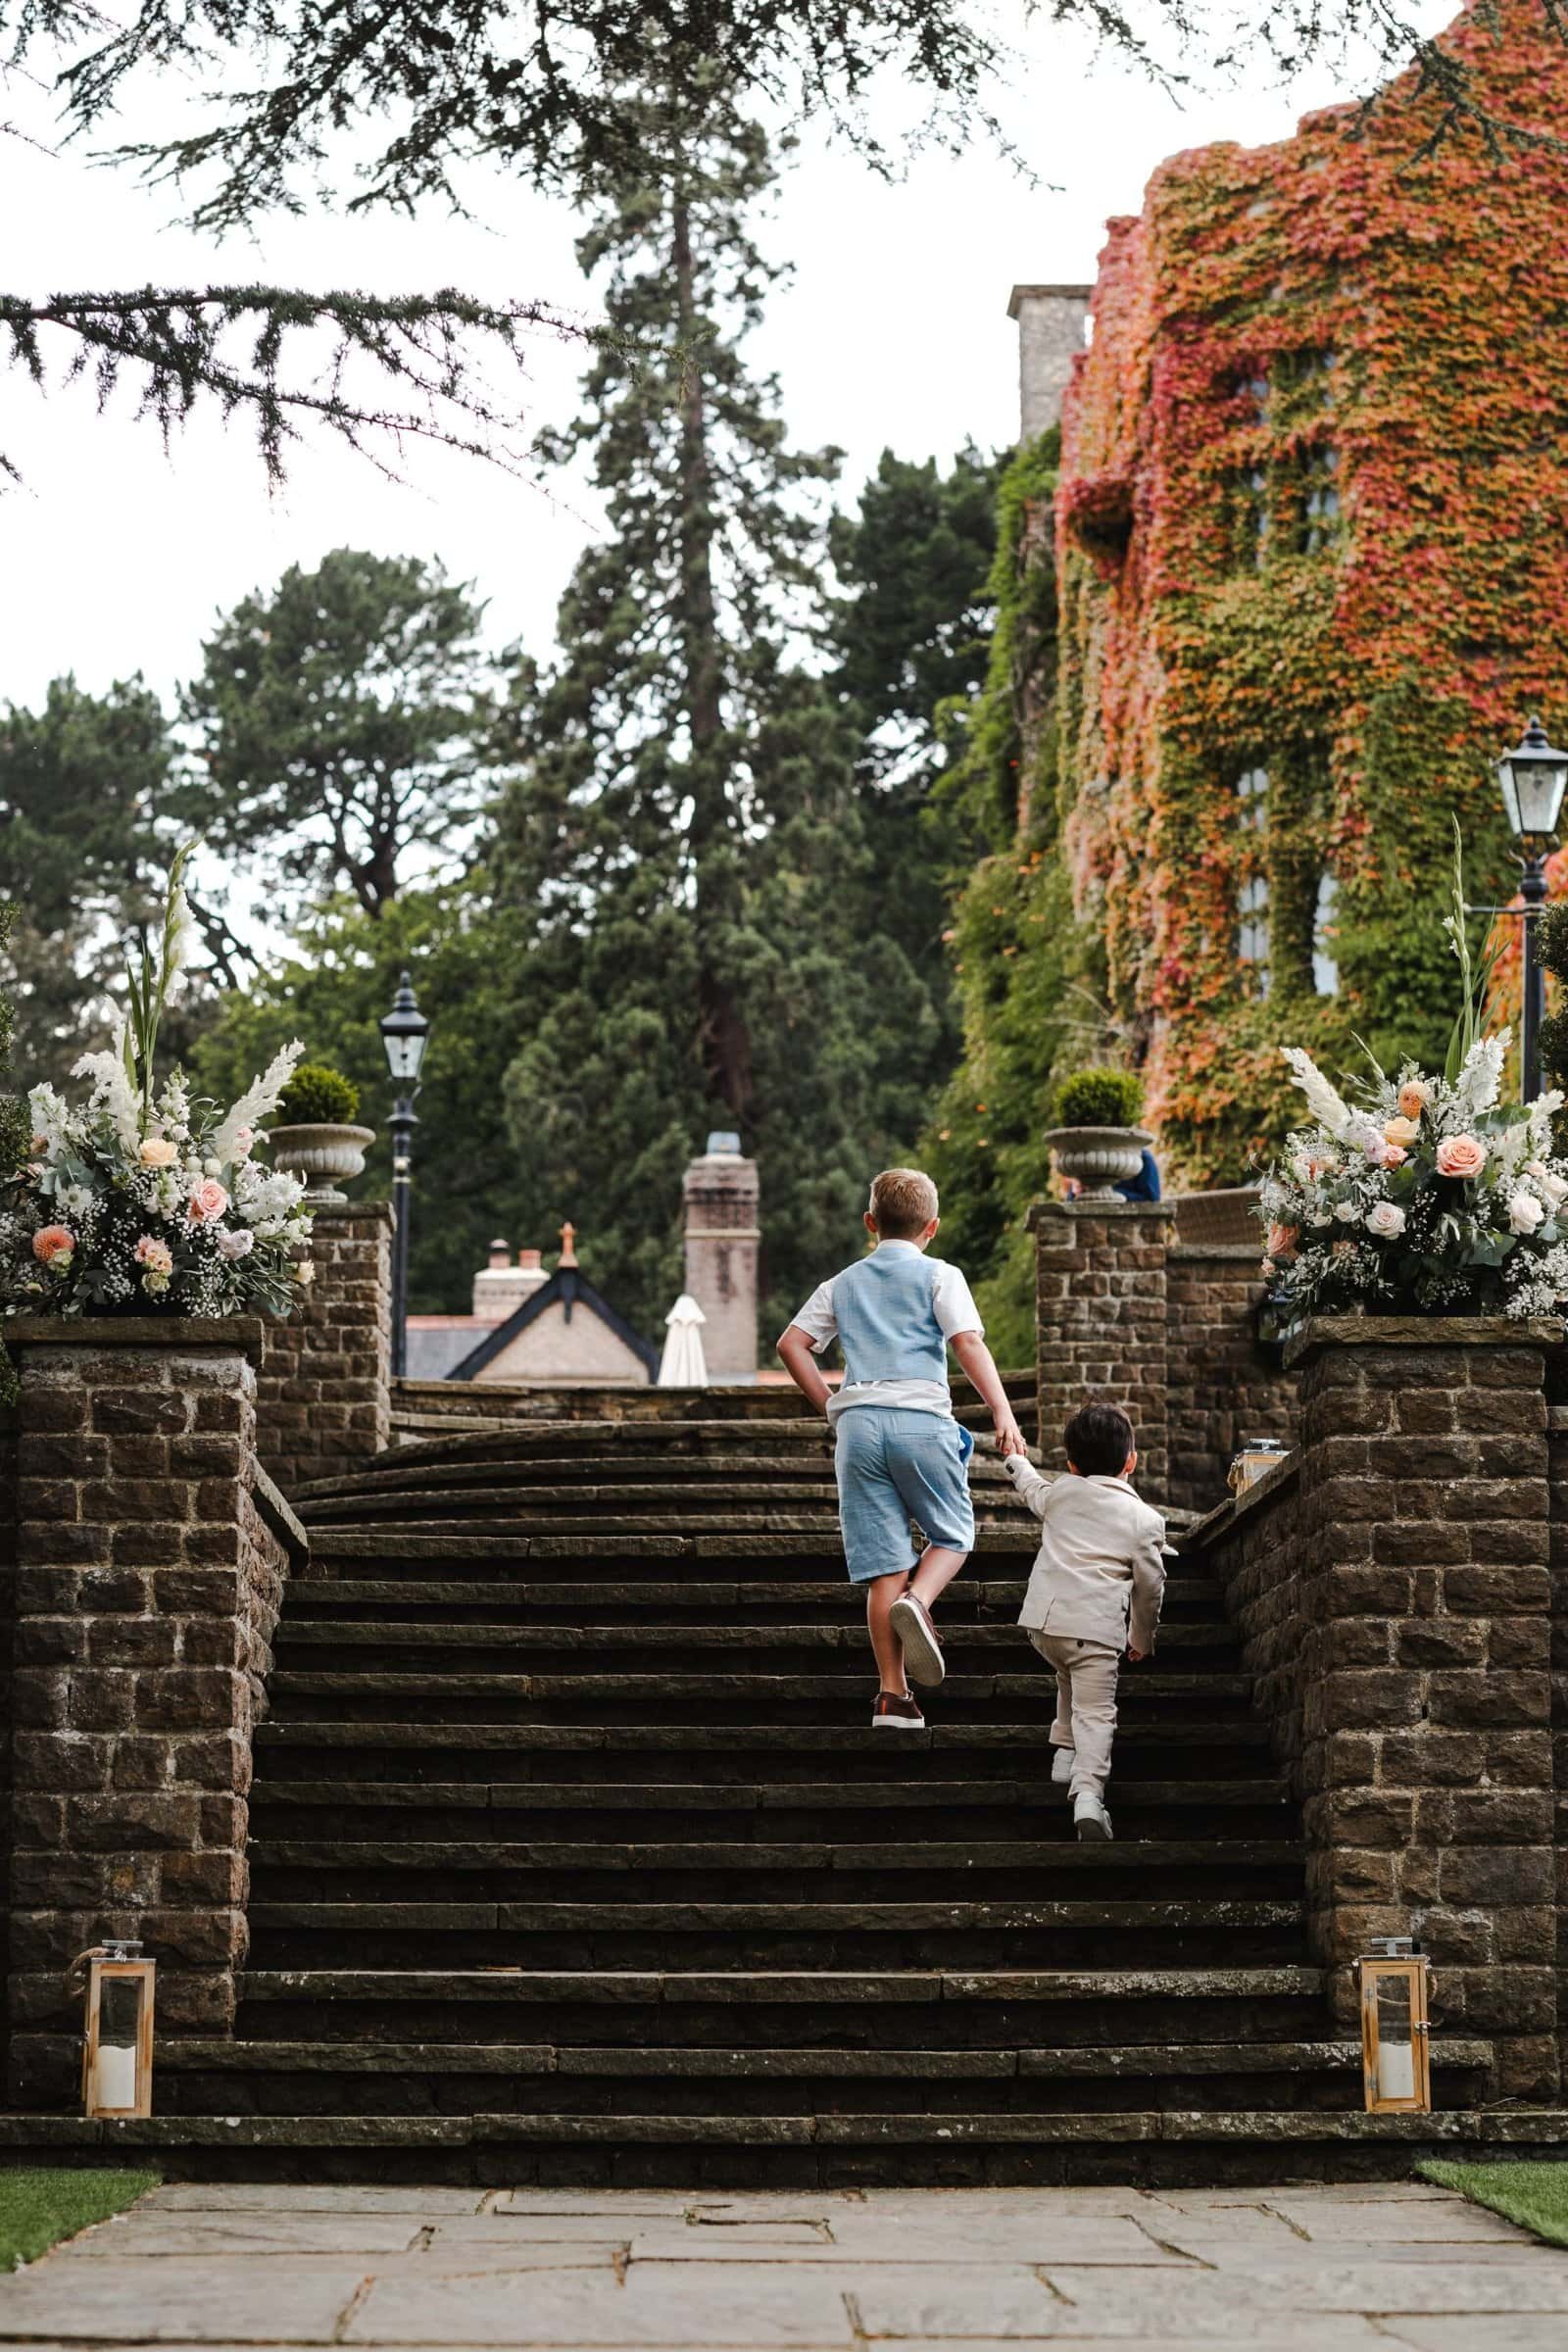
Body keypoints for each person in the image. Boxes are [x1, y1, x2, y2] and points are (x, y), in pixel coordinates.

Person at [777, 1166, 1027, 1731]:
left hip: (859, 1428)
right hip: (920, 1420)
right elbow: (966, 1342)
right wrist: (1002, 1410)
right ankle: (919, 1602)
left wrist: (831, 1406)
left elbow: (791, 1344)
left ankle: (892, 1697)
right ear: (932, 1227)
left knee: (883, 1565)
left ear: (870, 1222)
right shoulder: (941, 1275)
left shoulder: (841, 1283)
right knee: (953, 1534)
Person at [1001, 1399, 1165, 1840]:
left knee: (1066, 1673)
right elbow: (1150, 1587)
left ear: (1071, 1464)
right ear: (1131, 1461)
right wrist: (1141, 1637)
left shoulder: (1062, 1493)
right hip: (1093, 1632)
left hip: (1044, 1626)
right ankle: (1089, 1795)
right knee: (1096, 1713)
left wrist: (1016, 1460)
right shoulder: (1145, 1521)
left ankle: (1063, 1751)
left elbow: (1032, 1489)